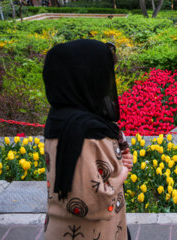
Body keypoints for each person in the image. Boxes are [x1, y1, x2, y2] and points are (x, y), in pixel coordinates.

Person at [43, 39, 133, 240]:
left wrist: (119, 161)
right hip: (90, 232)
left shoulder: (63, 119)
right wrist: (124, 172)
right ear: (87, 79)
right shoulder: (83, 132)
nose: (108, 81)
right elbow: (92, 200)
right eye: (104, 75)